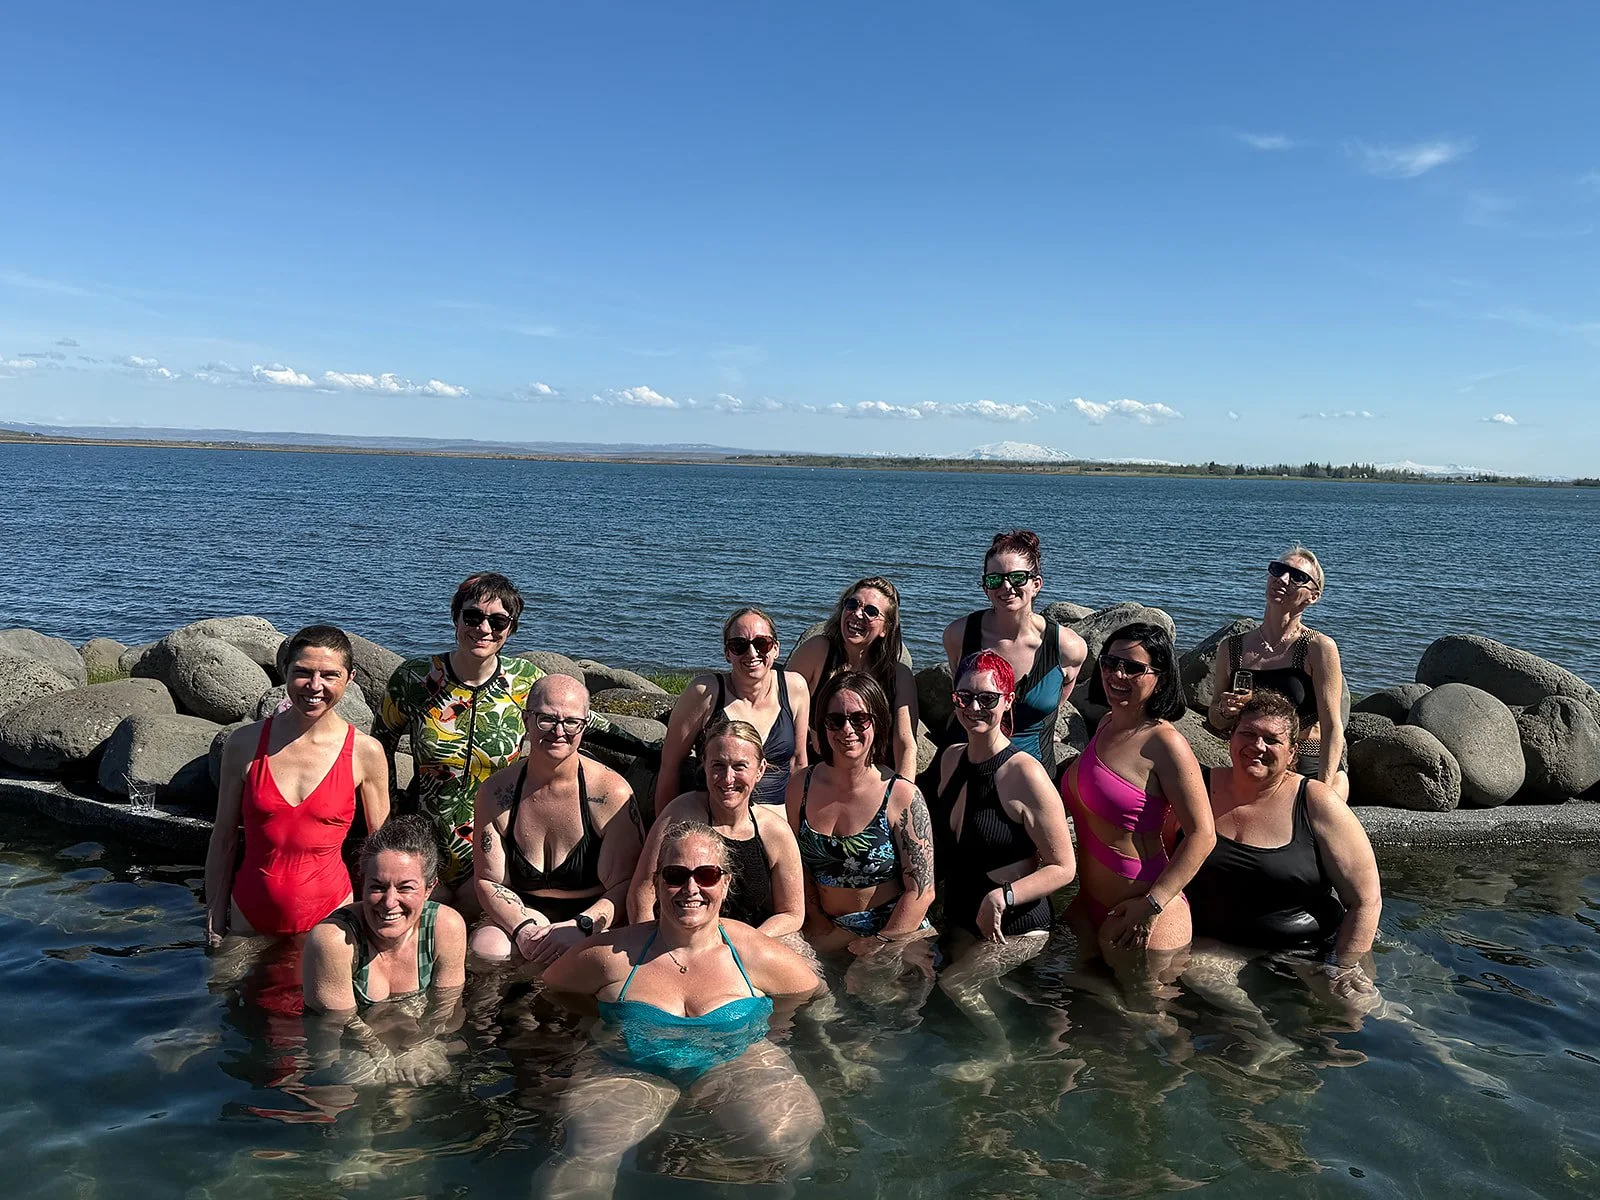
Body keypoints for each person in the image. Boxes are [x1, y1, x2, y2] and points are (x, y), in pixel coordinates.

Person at [540, 821, 824, 1199]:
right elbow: (550, 992)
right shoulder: (609, 958)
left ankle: (719, 1172)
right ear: (656, 883)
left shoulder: (755, 953)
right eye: (676, 875)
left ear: (725, 883)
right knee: (588, 1154)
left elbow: (815, 997)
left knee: (790, 1143)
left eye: (706, 875)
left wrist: (836, 1052)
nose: (691, 888)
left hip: (735, 1061)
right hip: (627, 1067)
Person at [1174, 690, 1382, 1012]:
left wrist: (1343, 965)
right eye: (1248, 733)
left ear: (1292, 753)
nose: (1257, 746)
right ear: (1231, 738)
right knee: (1211, 993)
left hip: (1309, 947)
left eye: (1272, 740)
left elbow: (1366, 899)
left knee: (1353, 1011)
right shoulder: (1197, 787)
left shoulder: (1316, 802)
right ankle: (1266, 1045)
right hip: (1215, 945)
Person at [932, 649, 1076, 1068]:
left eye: (988, 698)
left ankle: (1000, 1054)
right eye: (964, 697)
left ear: (1008, 700)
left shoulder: (1023, 772)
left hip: (1015, 926)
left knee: (958, 986)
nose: (975, 707)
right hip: (962, 918)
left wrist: (1004, 896)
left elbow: (1063, 866)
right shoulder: (949, 759)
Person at [206, 625, 391, 945]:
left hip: (331, 921)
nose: (315, 686)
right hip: (248, 917)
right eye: (302, 672)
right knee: (227, 990)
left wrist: (380, 928)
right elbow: (223, 839)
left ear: (351, 678)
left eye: (330, 675)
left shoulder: (366, 752)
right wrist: (213, 919)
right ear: (285, 672)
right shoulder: (244, 744)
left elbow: (381, 852)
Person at [374, 572, 545, 912]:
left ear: (511, 628)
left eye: (498, 621)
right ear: (456, 617)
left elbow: (577, 724)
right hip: (422, 839)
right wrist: (389, 815)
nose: (483, 628)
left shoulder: (527, 681)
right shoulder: (416, 677)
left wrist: (654, 749)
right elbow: (380, 744)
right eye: (473, 616)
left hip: (495, 842)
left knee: (487, 953)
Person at [1059, 623, 1214, 986]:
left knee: (1151, 1026)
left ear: (1159, 678)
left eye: (1133, 668)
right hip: (1090, 906)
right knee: (1068, 1012)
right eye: (1110, 662)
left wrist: (1152, 905)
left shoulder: (1165, 744)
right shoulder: (1108, 724)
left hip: (1146, 912)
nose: (1117, 674)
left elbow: (1203, 834)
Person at [470, 674, 644, 969]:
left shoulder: (610, 794)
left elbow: (626, 885)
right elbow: (488, 880)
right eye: (546, 719)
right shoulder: (496, 793)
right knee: (487, 948)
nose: (558, 731)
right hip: (522, 911)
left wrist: (581, 926)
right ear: (526, 720)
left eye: (571, 722)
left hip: (591, 914)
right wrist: (522, 928)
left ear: (584, 726)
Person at [301, 814, 469, 1084]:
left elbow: (446, 1007)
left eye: (406, 888)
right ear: (362, 884)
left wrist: (420, 1044)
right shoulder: (333, 940)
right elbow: (338, 1022)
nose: (390, 902)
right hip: (350, 1040)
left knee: (445, 1067)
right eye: (377, 887)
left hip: (414, 1032)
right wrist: (384, 1058)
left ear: (429, 889)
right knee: (365, 1081)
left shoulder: (446, 928)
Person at [787, 671, 937, 953]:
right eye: (836, 720)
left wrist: (880, 944)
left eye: (859, 719)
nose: (847, 729)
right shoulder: (800, 786)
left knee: (873, 992)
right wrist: (817, 921)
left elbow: (921, 891)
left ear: (877, 723)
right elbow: (797, 865)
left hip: (895, 929)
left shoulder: (902, 796)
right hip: (826, 927)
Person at [629, 716, 806, 939]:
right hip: (681, 936)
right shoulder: (680, 814)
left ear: (760, 770)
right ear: (704, 765)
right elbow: (642, 892)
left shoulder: (774, 831)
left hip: (749, 939)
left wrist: (746, 944)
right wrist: (649, 947)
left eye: (740, 767)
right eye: (718, 766)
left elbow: (792, 913)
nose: (728, 779)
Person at [1208, 546, 1350, 800]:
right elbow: (1216, 719)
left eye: (1297, 577)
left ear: (1313, 596)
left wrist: (1323, 792)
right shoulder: (1233, 648)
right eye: (1278, 570)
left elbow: (1332, 727)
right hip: (1254, 757)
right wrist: (1224, 710)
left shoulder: (1317, 648)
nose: (1282, 579)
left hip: (1307, 760)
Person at [942, 530, 1087, 772]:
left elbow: (1055, 706)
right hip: (965, 769)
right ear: (985, 587)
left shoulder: (1068, 648)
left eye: (1017, 577)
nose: (1006, 586)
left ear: (1036, 584)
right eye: (994, 579)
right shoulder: (958, 636)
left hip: (1032, 776)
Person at [655, 606, 810, 816]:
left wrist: (795, 827)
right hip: (714, 815)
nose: (752, 653)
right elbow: (670, 765)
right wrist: (664, 827)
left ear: (776, 649)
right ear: (727, 653)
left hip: (775, 818)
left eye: (762, 643)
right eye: (739, 645)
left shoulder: (794, 688)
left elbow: (798, 764)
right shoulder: (705, 693)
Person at [789, 576, 920, 780]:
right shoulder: (818, 651)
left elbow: (905, 743)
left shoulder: (898, 675)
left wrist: (903, 794)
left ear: (886, 628)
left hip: (871, 780)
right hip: (819, 775)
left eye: (871, 611)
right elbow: (780, 709)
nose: (857, 614)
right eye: (852, 604)